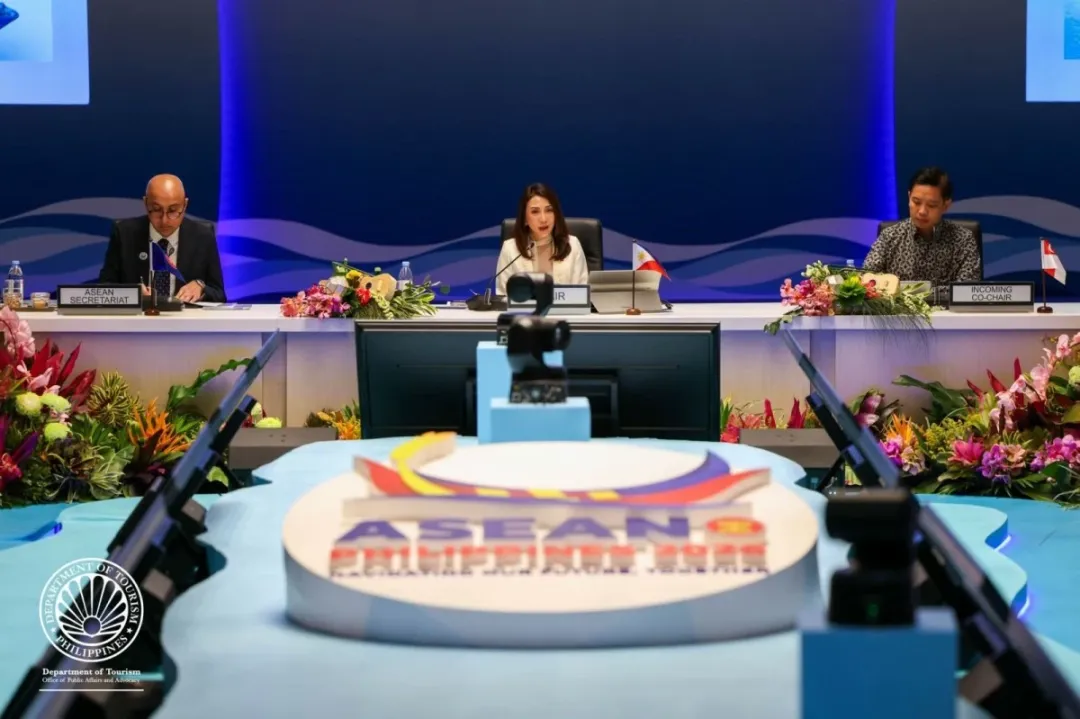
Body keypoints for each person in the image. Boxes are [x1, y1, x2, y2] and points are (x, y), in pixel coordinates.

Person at [98, 174, 227, 303]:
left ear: (185, 205)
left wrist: (201, 288)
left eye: (173, 210)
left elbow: (219, 294)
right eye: (156, 209)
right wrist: (132, 293)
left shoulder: (202, 236)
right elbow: (103, 289)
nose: (164, 220)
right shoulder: (124, 233)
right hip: (140, 315)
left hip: (185, 315)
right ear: (146, 203)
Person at [862, 167, 981, 290]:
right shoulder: (889, 236)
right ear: (909, 197)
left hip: (944, 304)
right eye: (916, 202)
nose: (922, 211)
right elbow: (867, 279)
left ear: (945, 206)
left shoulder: (963, 240)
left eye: (931, 205)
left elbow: (967, 291)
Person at [495, 183, 589, 296]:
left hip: (567, 308)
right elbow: (503, 296)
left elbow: (582, 295)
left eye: (549, 210)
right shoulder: (510, 249)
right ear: (525, 219)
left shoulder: (573, 245)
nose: (543, 219)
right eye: (535, 212)